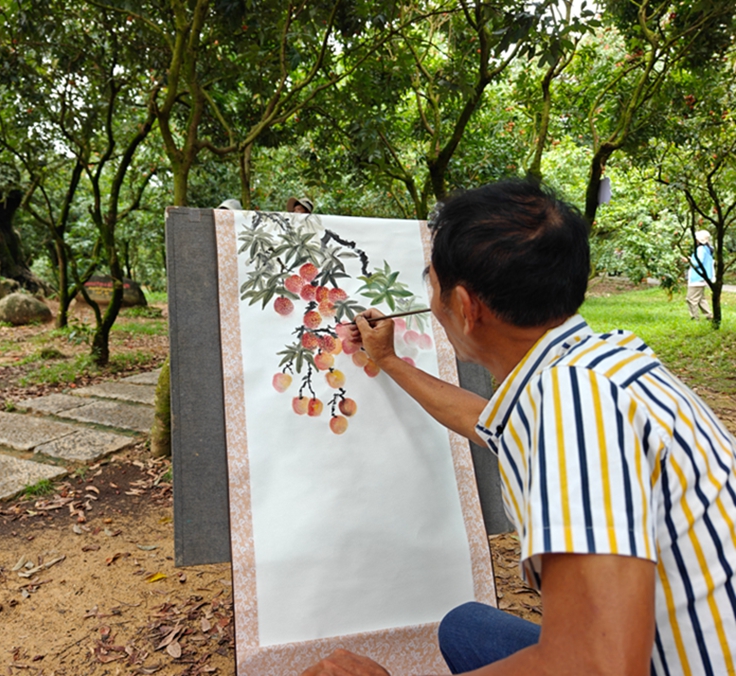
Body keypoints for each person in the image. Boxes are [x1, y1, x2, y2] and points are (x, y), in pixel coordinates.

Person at [301, 180, 736, 676]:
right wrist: (391, 361)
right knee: (464, 626)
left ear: (466, 308)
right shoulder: (598, 364)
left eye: (433, 282)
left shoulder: (576, 410)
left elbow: (598, 665)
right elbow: (484, 422)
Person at [687, 229, 715, 321]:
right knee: (700, 299)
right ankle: (709, 315)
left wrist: (689, 261)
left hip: (697, 278)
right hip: (703, 277)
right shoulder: (707, 249)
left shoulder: (700, 249)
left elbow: (698, 262)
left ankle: (694, 318)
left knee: (691, 299)